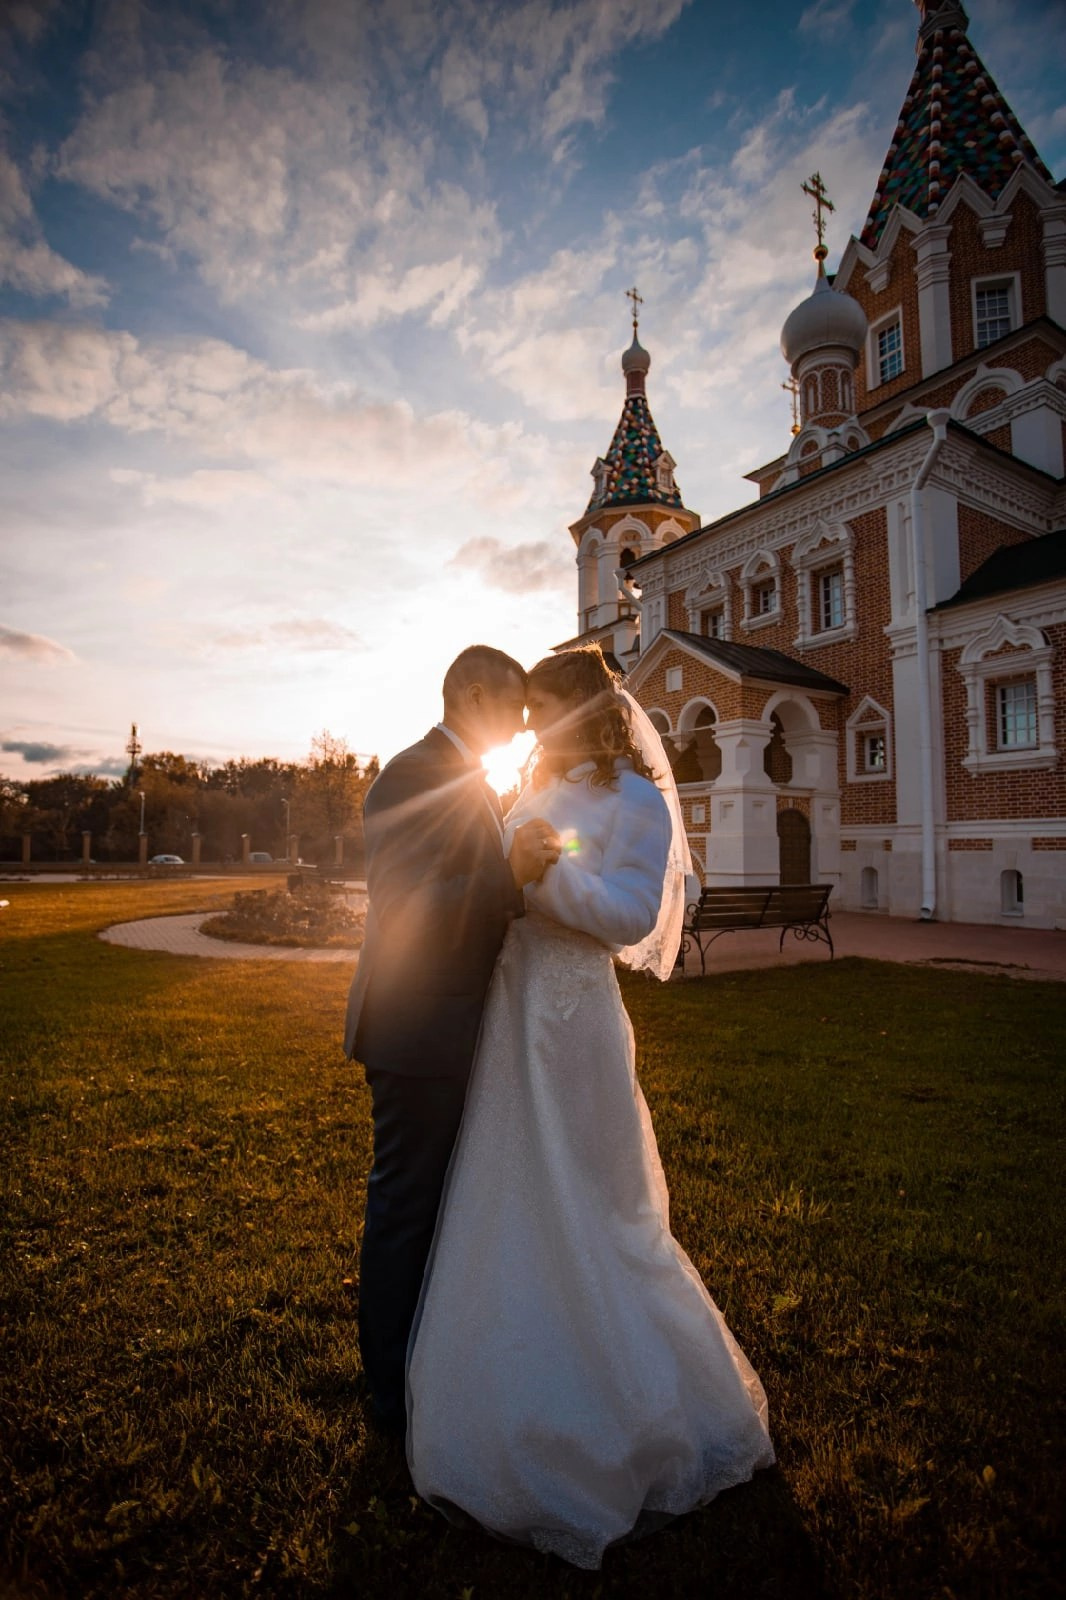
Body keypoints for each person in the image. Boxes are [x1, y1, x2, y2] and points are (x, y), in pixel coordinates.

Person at [405, 645, 774, 1568]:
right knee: (507, 1188)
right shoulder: (532, 786)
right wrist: (509, 870)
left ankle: (638, 1405)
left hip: (573, 1024)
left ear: (584, 711)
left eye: (542, 710)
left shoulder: (638, 803)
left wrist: (542, 876)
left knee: (599, 1207)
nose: (530, 727)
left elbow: (623, 917)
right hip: (508, 1016)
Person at [344, 645, 559, 1435]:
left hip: (446, 1022)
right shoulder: (414, 774)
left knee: (436, 1204)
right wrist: (509, 876)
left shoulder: (466, 777)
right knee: (405, 1205)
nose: (527, 725)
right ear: (471, 694)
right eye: (516, 708)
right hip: (415, 1025)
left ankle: (425, 1359)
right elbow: (411, 907)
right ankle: (388, 1390)